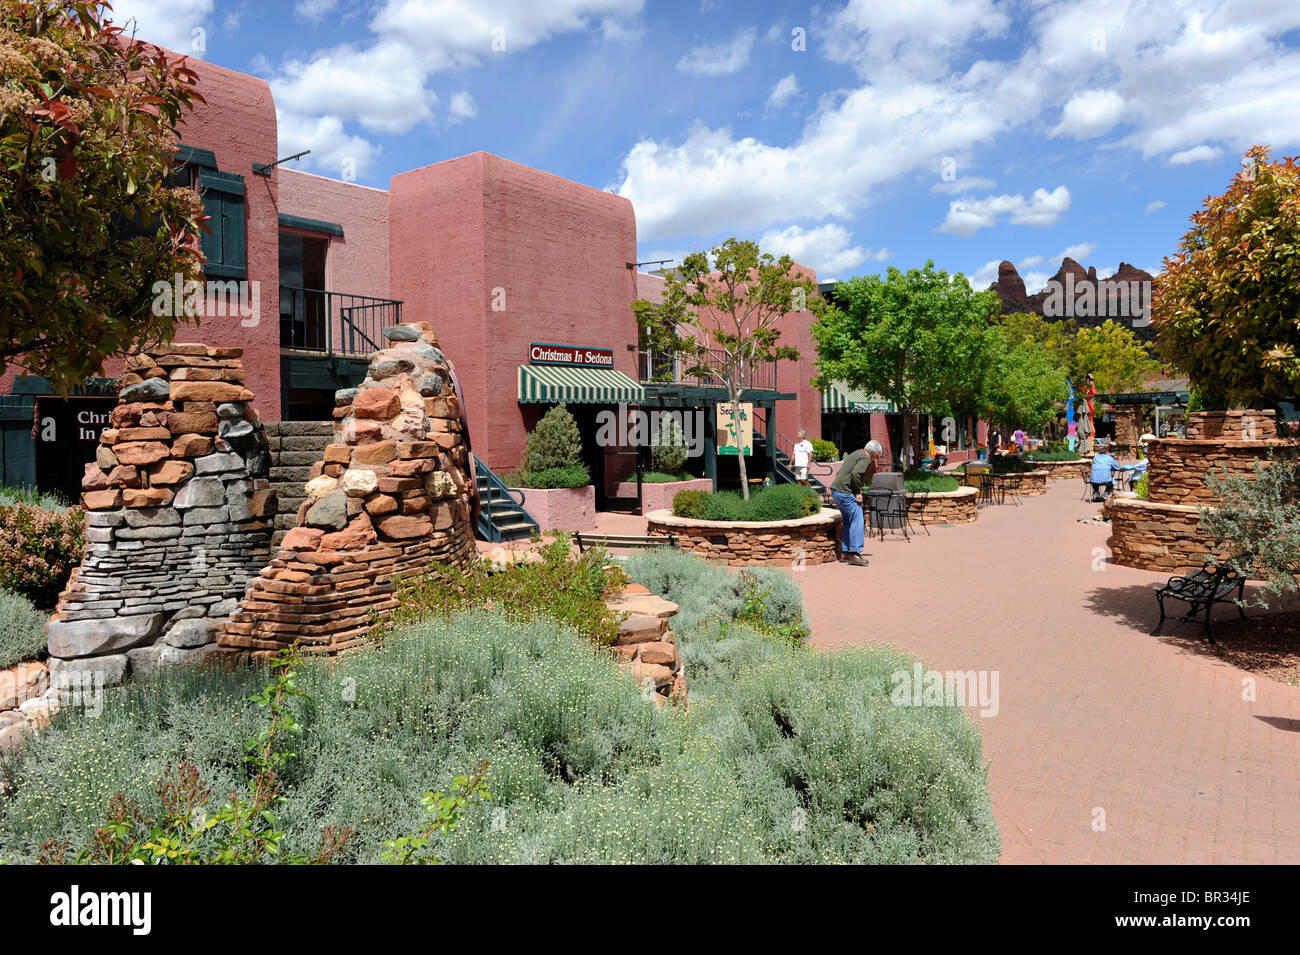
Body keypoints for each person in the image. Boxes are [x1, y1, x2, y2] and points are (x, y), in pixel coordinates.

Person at [829, 439, 883, 565]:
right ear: (874, 453)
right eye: (877, 457)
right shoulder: (865, 458)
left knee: (848, 520)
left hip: (836, 490)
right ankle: (854, 553)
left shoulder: (856, 453)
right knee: (858, 518)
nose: (875, 459)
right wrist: (858, 492)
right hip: (845, 492)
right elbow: (856, 474)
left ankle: (845, 552)